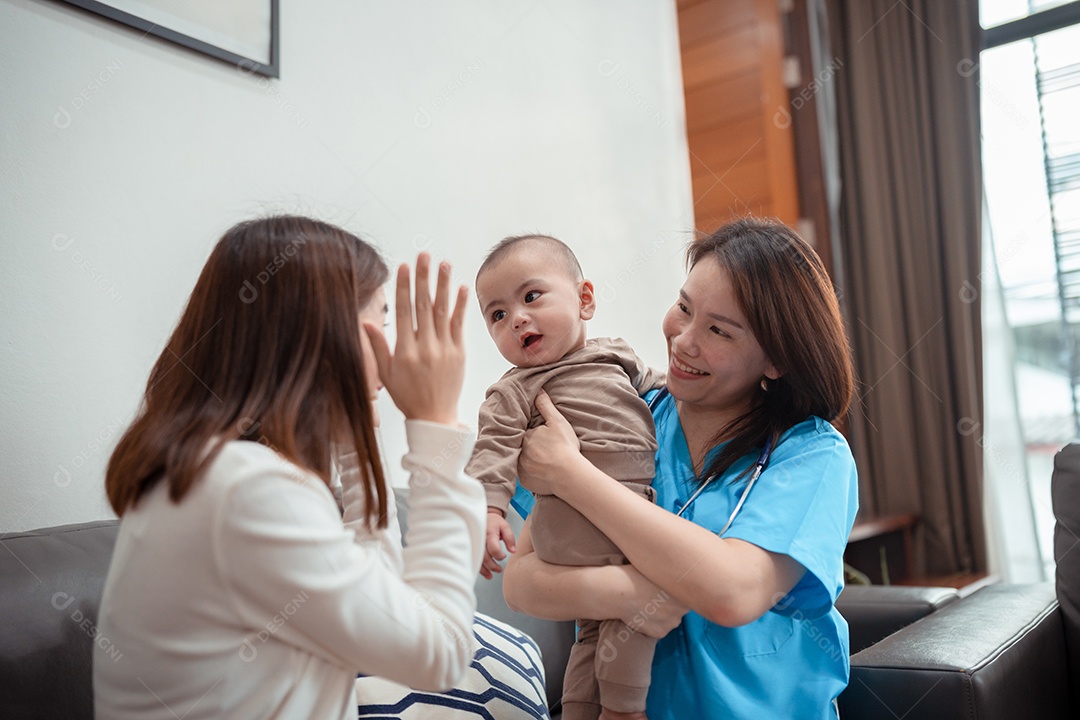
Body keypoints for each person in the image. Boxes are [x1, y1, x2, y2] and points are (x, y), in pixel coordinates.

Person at [93, 216, 485, 720]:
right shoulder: (245, 489)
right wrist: (436, 425)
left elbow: (381, 595)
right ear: (326, 336)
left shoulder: (221, 470)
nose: (392, 357)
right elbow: (442, 650)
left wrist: (353, 443)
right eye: (381, 326)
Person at [504, 217, 859, 720]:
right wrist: (633, 593)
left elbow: (734, 592)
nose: (683, 340)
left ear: (776, 359)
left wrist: (572, 476)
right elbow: (519, 582)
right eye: (684, 308)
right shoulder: (620, 412)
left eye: (718, 330)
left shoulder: (811, 455)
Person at [467, 234, 663, 720]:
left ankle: (577, 708)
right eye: (497, 314)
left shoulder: (615, 355)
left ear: (585, 299)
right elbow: (491, 448)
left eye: (531, 297)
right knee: (636, 609)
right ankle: (623, 709)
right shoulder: (515, 389)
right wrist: (489, 509)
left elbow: (666, 389)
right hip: (576, 524)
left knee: (593, 633)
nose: (516, 318)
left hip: (622, 511)